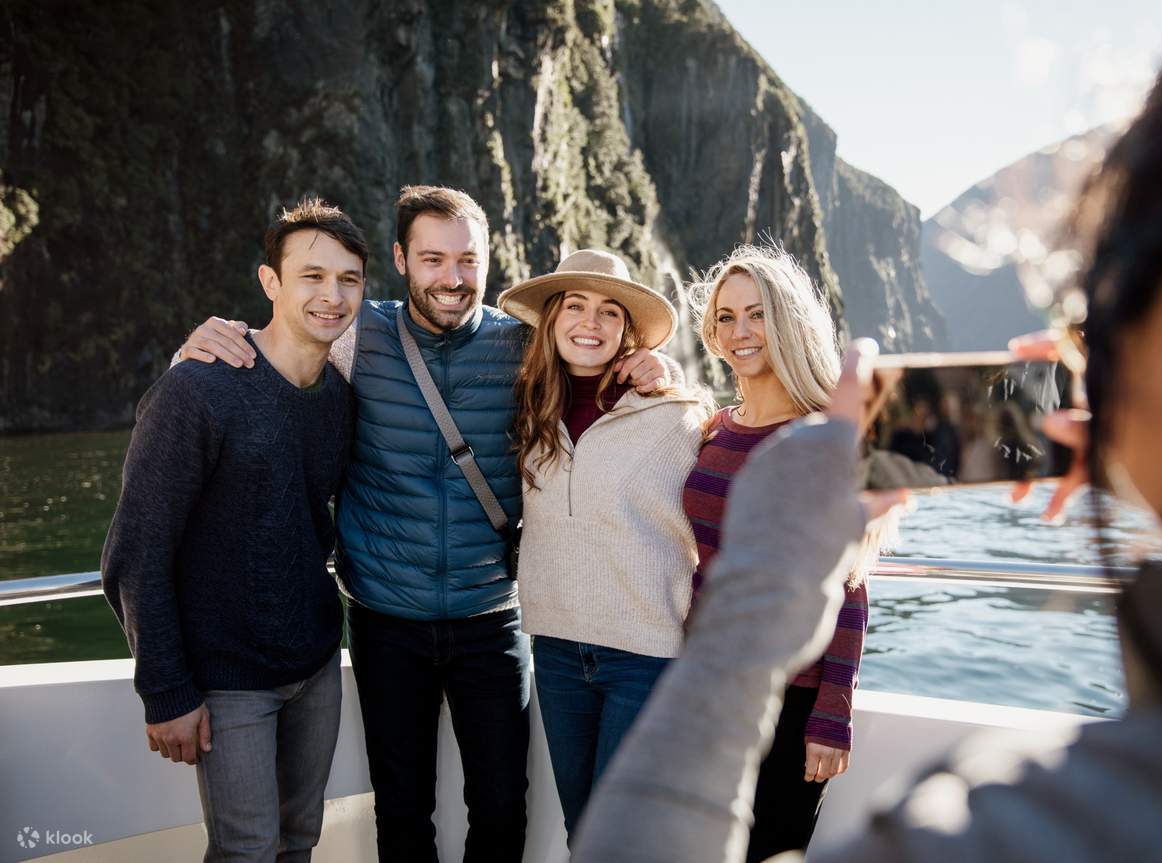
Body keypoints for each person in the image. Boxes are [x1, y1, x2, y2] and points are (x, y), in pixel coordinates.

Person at [572, 1, 1162, 860]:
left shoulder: (1013, 827)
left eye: (1084, 314)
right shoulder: (714, 422)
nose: (1058, 359)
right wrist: (1145, 428)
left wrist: (758, 615)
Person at [175, 186, 673, 862]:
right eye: (433, 259)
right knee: (403, 809)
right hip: (385, 619)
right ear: (401, 259)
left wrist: (655, 364)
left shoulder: (523, 346)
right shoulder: (354, 333)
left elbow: (594, 364)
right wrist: (198, 345)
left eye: (468, 261)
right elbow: (280, 344)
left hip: (491, 619)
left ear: (488, 262)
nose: (453, 277)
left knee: (501, 808)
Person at [101, 198, 366, 862]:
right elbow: (136, 549)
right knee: (245, 849)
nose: (331, 295)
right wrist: (165, 688)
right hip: (227, 679)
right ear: (270, 282)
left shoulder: (338, 399)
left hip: (314, 665)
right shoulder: (197, 388)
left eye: (348, 279)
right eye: (311, 276)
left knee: (300, 840)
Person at [496, 248, 710, 841]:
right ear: (551, 319)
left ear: (628, 333)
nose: (590, 323)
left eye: (609, 312)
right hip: (558, 651)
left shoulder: (676, 414)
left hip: (645, 655)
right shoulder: (527, 408)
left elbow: (721, 500)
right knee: (580, 831)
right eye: (575, 306)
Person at [684, 245, 869, 861]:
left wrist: (832, 716)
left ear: (787, 321)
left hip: (791, 699)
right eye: (727, 316)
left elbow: (850, 586)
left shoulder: (820, 435)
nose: (741, 332)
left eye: (757, 314)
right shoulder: (714, 431)